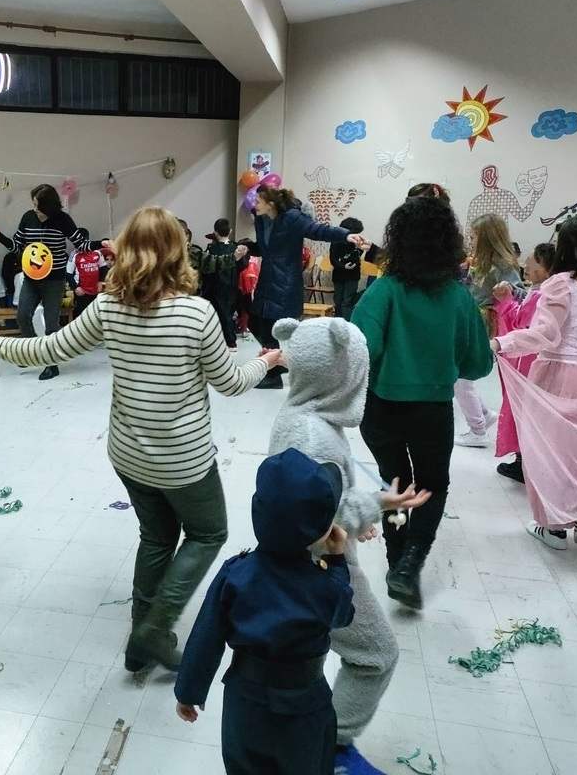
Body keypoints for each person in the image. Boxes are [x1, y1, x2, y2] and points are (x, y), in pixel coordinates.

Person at [0, 207, 280, 670]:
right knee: (208, 532)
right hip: (183, 461)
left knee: (157, 537)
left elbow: (46, 348)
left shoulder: (108, 306)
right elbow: (231, 383)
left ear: (128, 249)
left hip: (129, 455)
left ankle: (141, 639)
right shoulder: (196, 313)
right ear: (177, 250)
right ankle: (155, 627)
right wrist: (267, 361)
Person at [269, 316, 430, 775]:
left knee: (314, 652)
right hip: (322, 569)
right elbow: (318, 523)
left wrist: (354, 509)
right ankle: (332, 750)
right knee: (376, 655)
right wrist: (374, 504)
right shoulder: (313, 439)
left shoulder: (302, 416)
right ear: (344, 374)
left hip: (303, 564)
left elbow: (316, 500)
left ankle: (307, 733)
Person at [174, 449, 355, 775]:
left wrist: (189, 692)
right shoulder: (324, 586)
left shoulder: (235, 574)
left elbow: (206, 636)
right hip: (304, 706)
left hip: (245, 703)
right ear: (323, 529)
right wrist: (338, 560)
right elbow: (344, 614)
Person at [351, 197, 492, 609]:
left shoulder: (384, 290)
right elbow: (478, 363)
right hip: (432, 410)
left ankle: (396, 559)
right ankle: (410, 564)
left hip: (381, 409)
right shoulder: (459, 298)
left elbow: (361, 350)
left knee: (393, 483)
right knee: (432, 485)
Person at [493, 216, 577, 550]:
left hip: (561, 372)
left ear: (564, 246)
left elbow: (546, 336)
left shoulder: (561, 285)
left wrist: (502, 343)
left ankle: (553, 527)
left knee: (550, 450)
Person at [0, 184, 107, 381]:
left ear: (49, 206)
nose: (35, 209)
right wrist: (0, 237)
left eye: (38, 206)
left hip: (54, 280)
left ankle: (51, 364)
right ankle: (32, 353)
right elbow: (17, 246)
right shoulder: (28, 218)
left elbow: (82, 244)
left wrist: (102, 243)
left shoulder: (63, 219)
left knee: (51, 324)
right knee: (23, 315)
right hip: (31, 278)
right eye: (33, 204)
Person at [251, 184, 366, 389]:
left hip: (284, 282)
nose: (254, 204)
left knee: (269, 327)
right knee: (256, 321)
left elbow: (318, 229)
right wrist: (245, 247)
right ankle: (278, 363)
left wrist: (345, 235)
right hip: (267, 280)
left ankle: (273, 375)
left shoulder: (292, 218)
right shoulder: (262, 219)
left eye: (258, 200)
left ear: (271, 203)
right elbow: (265, 248)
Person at [455, 213, 524, 448]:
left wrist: (507, 289)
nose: (471, 241)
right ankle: (484, 415)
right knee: (462, 375)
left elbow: (520, 292)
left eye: (475, 236)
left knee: (461, 377)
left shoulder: (503, 264)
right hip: (472, 318)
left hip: (485, 322)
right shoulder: (478, 261)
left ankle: (478, 429)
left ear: (487, 238)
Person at [491, 243, 556, 483]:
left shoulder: (540, 295)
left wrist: (505, 300)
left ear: (548, 268)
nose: (526, 265)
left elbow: (518, 321)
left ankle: (522, 463)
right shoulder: (548, 292)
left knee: (520, 407)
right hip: (542, 360)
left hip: (527, 360)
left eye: (533, 261)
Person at [202, 218, 247, 349]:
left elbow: (206, 269)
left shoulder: (211, 249)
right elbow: (243, 265)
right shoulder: (236, 248)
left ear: (215, 232)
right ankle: (230, 341)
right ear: (230, 231)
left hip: (214, 286)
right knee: (228, 314)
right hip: (231, 285)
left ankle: (217, 342)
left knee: (215, 315)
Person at [329, 217, 365, 321]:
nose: (356, 235)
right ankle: (338, 323)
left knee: (347, 301)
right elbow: (333, 259)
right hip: (339, 274)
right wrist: (343, 266)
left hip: (353, 275)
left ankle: (347, 325)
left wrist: (360, 249)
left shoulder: (357, 241)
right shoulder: (336, 241)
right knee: (338, 301)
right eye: (355, 232)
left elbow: (357, 255)